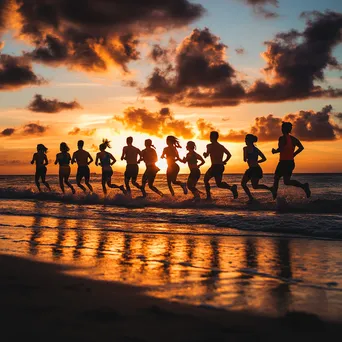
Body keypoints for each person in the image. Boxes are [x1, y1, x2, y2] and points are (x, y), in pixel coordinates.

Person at [271, 122, 311, 199]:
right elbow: (301, 147)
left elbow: (281, 148)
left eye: (282, 128)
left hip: (283, 162)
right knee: (286, 181)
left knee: (276, 178)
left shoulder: (282, 138)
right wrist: (294, 154)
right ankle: (303, 186)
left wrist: (274, 151)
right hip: (290, 162)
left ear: (283, 129)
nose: (281, 129)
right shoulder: (293, 139)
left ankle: (274, 196)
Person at [203, 131, 238, 200]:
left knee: (205, 180)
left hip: (214, 166)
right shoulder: (221, 146)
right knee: (219, 184)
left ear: (211, 137)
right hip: (220, 166)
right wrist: (224, 161)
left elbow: (206, 155)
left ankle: (208, 197)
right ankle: (231, 188)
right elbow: (229, 155)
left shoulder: (209, 146)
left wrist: (204, 154)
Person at [241, 134, 273, 203]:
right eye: (245, 139)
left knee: (255, 186)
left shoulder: (256, 150)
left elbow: (264, 158)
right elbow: (244, 159)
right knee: (243, 184)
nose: (245, 141)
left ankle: (271, 189)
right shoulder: (245, 148)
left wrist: (257, 161)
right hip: (250, 169)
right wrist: (245, 153)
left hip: (256, 169)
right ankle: (251, 198)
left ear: (249, 141)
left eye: (246, 139)